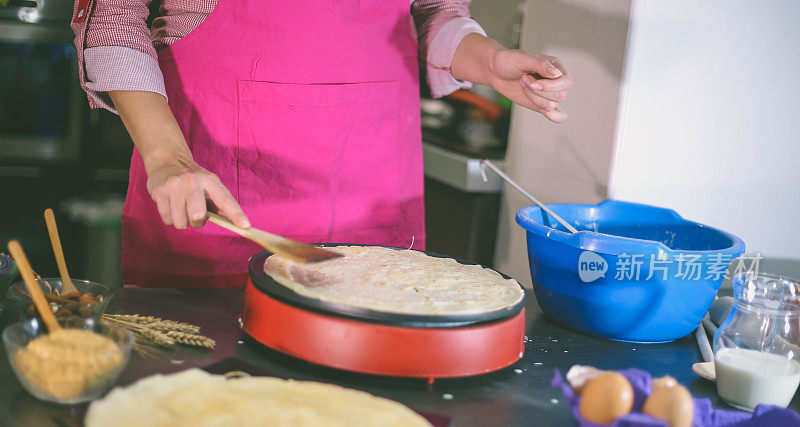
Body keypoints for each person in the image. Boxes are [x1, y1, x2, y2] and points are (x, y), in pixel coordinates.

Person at [71, 0, 572, 287]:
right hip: (215, 191)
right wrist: (166, 156)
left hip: (370, 193)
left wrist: (488, 62)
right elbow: (114, 18)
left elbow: (430, 13)